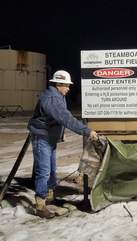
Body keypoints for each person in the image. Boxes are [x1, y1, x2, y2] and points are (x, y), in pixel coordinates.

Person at [28, 70, 98, 219]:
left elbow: (59, 118)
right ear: (58, 84)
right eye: (66, 85)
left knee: (52, 169)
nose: (68, 88)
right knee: (44, 171)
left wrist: (61, 132)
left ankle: (50, 197)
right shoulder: (52, 99)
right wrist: (86, 131)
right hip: (42, 138)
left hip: (49, 137)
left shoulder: (58, 95)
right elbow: (66, 118)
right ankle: (40, 205)